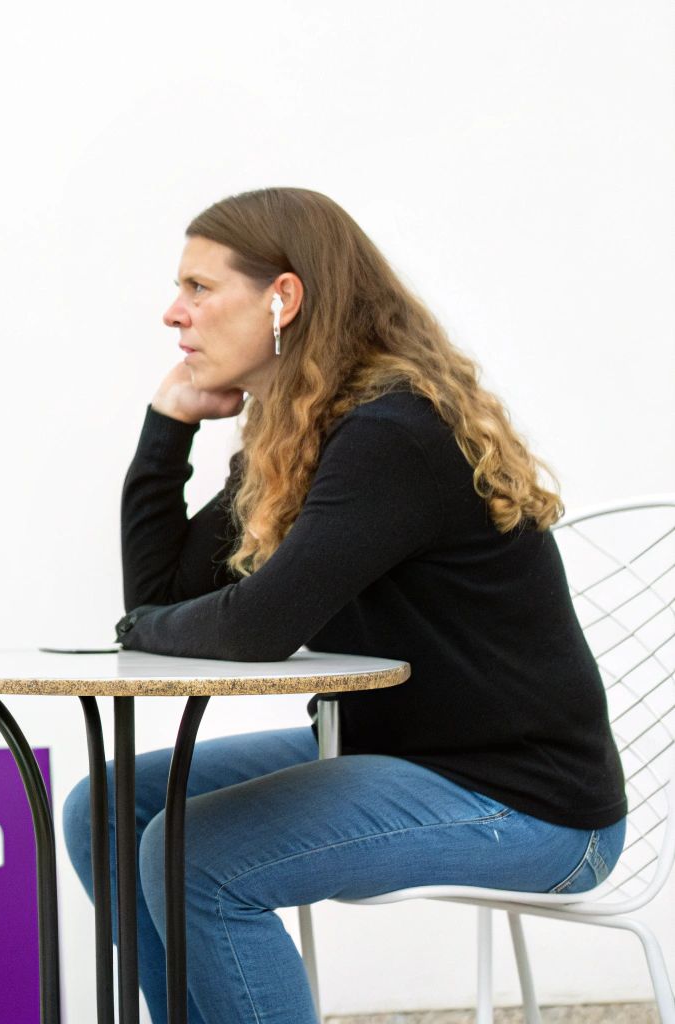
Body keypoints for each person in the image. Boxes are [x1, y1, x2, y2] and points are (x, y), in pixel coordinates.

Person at [64, 187, 627, 1024]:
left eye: (198, 288)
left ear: (283, 297)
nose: (173, 315)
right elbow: (162, 604)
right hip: (391, 748)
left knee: (199, 857)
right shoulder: (297, 433)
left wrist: (141, 630)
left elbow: (252, 628)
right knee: (107, 811)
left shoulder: (391, 433)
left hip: (524, 797)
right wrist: (168, 426)